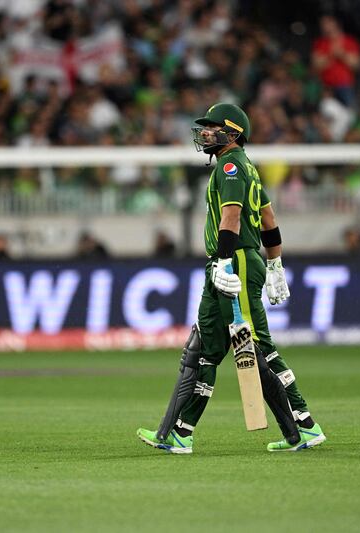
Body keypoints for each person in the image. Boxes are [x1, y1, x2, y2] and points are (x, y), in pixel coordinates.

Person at [136, 103, 325, 454]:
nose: (205, 133)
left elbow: (232, 218)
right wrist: (275, 264)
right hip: (230, 262)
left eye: (213, 128)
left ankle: (304, 425)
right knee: (205, 349)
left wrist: (225, 262)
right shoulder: (248, 168)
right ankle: (181, 433)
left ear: (233, 133)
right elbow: (268, 218)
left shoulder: (230, 165)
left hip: (233, 260)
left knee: (257, 345)